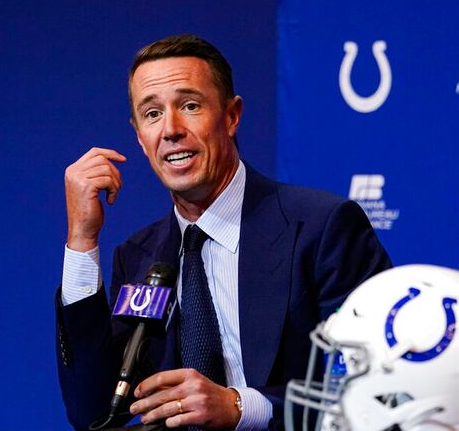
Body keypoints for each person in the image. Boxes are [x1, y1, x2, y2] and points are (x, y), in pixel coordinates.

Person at [56, 34, 392, 430]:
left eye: (190, 106)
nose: (171, 129)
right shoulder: (138, 257)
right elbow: (93, 412)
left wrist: (241, 407)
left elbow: (381, 379)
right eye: (152, 114)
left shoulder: (322, 227)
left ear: (231, 116)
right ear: (140, 140)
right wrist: (82, 241)